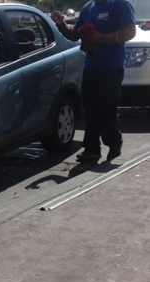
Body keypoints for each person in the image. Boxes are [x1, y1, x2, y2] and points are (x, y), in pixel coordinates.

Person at [52, 0, 136, 162]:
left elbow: (129, 32)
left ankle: (114, 143)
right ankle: (92, 149)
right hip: (91, 68)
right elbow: (75, 33)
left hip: (112, 68)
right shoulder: (88, 7)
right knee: (90, 109)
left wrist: (102, 38)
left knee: (106, 108)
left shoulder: (120, 4)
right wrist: (62, 25)